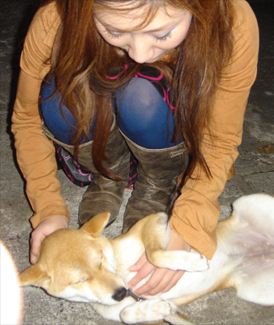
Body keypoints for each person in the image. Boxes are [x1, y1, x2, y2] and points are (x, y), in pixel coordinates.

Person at [11, 0, 259, 297]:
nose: (138, 53)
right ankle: (108, 173)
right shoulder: (56, 18)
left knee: (140, 92)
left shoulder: (232, 19)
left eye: (163, 33)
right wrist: (49, 208)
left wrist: (189, 226)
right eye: (114, 30)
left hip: (166, 131)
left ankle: (157, 182)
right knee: (56, 96)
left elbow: (220, 138)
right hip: (103, 130)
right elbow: (26, 119)